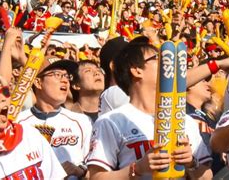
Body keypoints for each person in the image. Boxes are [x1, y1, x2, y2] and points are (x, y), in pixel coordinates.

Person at [87, 40, 215, 179]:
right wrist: (138, 168)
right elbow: (96, 177)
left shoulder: (184, 120)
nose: (168, 64)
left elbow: (207, 176)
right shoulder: (112, 121)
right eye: (158, 58)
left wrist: (191, 163)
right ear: (136, 70)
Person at [17, 60, 91, 179]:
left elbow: (95, 169)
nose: (65, 80)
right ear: (38, 82)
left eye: (67, 76)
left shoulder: (81, 121)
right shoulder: (18, 123)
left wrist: (79, 171)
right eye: (57, 74)